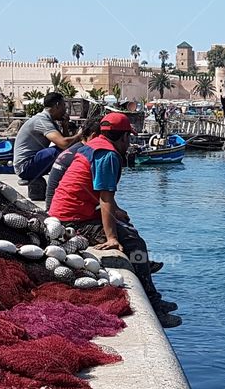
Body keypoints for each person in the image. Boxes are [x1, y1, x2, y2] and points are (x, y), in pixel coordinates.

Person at [48, 112, 181, 328]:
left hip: (68, 212)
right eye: (128, 138)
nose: (128, 143)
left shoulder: (92, 146)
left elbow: (98, 190)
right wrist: (112, 237)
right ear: (124, 137)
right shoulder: (108, 155)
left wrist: (117, 212)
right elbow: (105, 197)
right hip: (72, 220)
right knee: (134, 243)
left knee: (128, 230)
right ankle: (155, 306)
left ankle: (150, 286)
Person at [13, 92, 84, 199]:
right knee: (59, 153)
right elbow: (64, 145)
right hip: (25, 167)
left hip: (30, 163)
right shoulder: (41, 121)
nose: (65, 110)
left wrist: (65, 126)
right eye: (64, 106)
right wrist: (80, 135)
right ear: (57, 105)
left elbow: (65, 144)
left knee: (64, 152)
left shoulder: (49, 120)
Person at [44, 120, 100, 210]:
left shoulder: (75, 148)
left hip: (52, 205)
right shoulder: (84, 154)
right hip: (60, 210)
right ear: (93, 136)